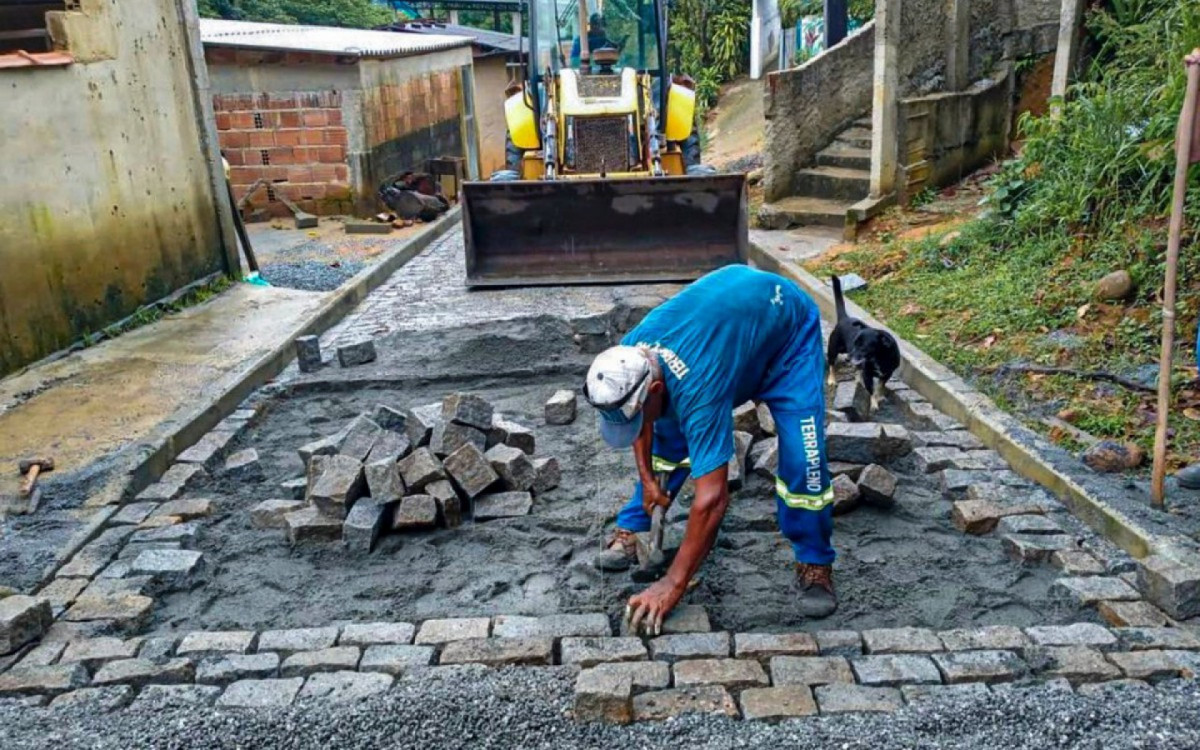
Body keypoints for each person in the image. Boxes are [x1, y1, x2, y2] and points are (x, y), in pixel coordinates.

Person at [583, 265, 835, 633]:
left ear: (653, 389)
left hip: (786, 336)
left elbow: (713, 500)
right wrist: (649, 481)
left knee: (804, 457)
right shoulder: (631, 353)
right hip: (733, 333)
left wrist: (672, 583)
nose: (636, 423)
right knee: (667, 431)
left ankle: (815, 561)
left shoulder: (699, 389)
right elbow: (641, 421)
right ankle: (637, 522)